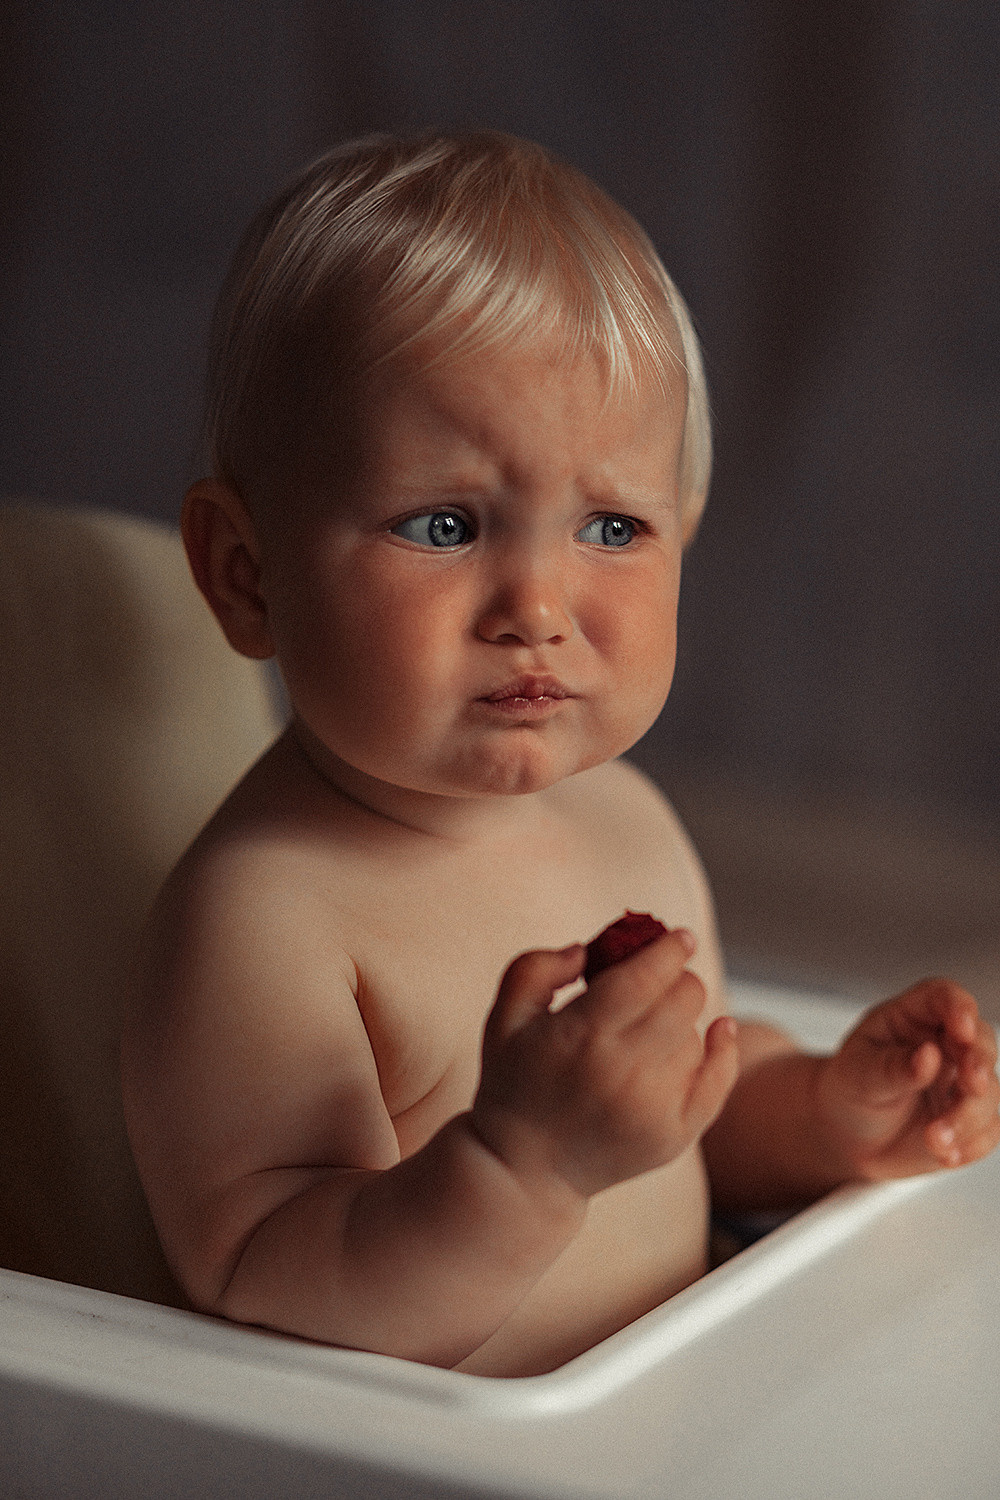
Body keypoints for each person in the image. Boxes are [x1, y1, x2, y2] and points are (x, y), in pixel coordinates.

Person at [122, 131, 1000, 1378]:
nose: (536, 601)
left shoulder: (625, 816)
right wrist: (517, 1168)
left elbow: (668, 1124)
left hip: (677, 1415)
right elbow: (268, 1298)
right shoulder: (264, 920)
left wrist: (820, 1112)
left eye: (610, 525)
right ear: (246, 573)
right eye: (442, 523)